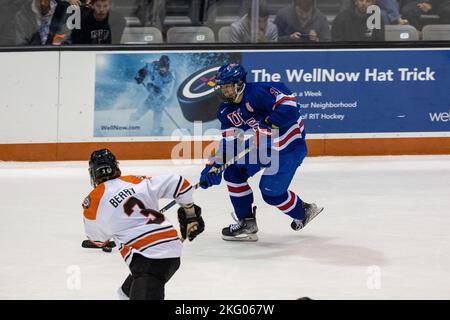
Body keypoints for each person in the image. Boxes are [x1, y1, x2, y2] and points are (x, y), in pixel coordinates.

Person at [199, 63, 323, 242]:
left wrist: (270, 123)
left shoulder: (260, 91)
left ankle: (303, 212)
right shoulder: (226, 111)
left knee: (271, 193)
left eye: (226, 86)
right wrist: (214, 166)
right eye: (221, 87)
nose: (223, 91)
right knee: (233, 174)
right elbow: (229, 142)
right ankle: (246, 222)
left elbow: (290, 107)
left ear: (239, 84)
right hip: (264, 147)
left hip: (289, 148)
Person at [82, 149, 204, 299]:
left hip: (149, 258)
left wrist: (105, 240)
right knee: (125, 294)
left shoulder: (93, 201)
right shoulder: (135, 180)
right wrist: (190, 215)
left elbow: (97, 239)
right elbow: (180, 184)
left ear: (93, 173)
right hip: (169, 249)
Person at [132, 55, 176, 135]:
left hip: (160, 97)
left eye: (164, 68)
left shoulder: (170, 77)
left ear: (168, 67)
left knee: (158, 110)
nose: (162, 70)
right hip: (152, 94)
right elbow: (145, 69)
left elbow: (168, 91)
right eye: (160, 67)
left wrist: (161, 96)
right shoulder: (153, 66)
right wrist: (140, 75)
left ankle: (156, 129)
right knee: (145, 106)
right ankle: (134, 118)